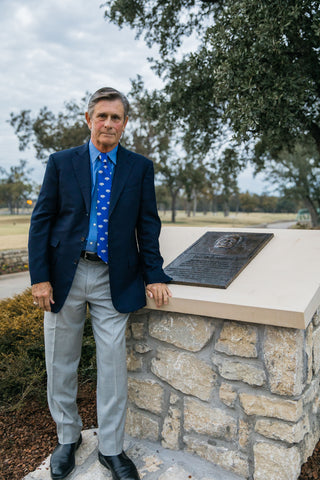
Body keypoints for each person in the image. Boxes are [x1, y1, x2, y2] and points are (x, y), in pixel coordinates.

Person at [28, 87, 172, 480]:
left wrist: (155, 273)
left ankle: (111, 448)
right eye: (103, 116)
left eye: (117, 117)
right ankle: (67, 438)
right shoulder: (61, 163)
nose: (109, 123)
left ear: (125, 124)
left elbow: (148, 225)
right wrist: (40, 277)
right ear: (88, 119)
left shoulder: (139, 167)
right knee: (61, 360)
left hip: (115, 277)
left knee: (111, 366)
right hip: (64, 277)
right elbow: (42, 220)